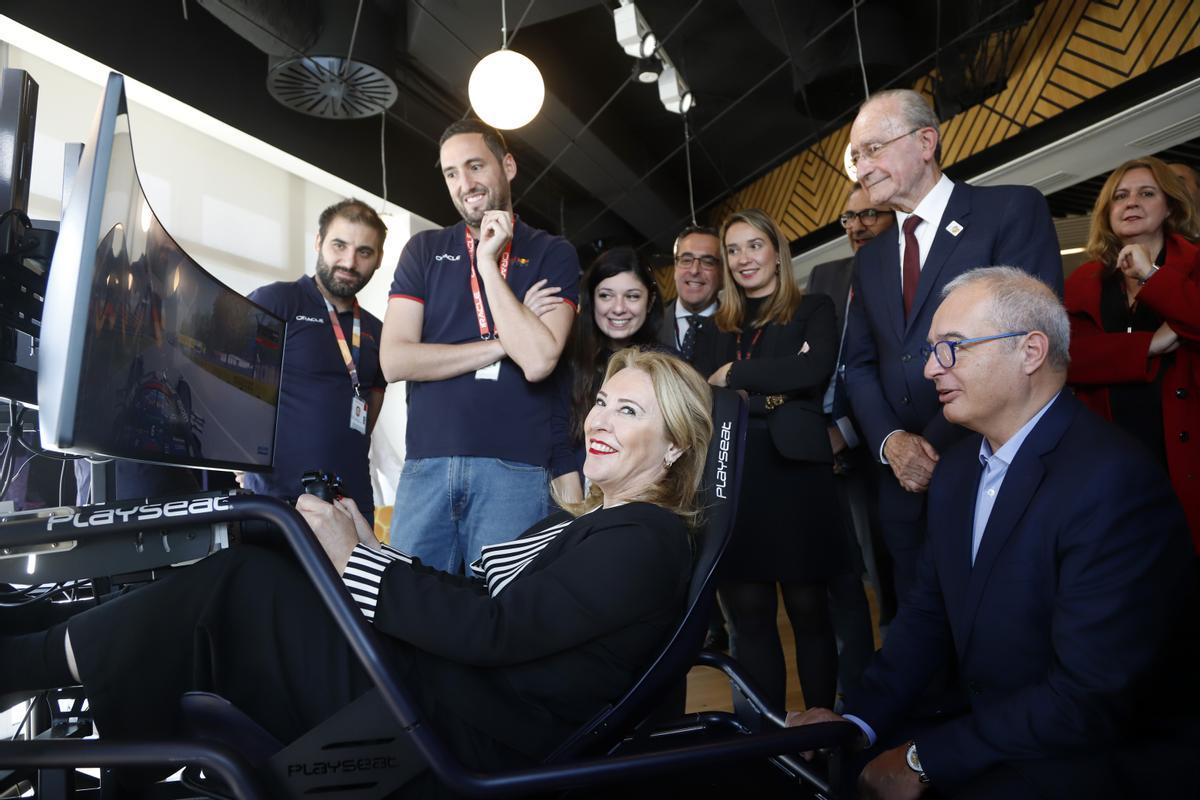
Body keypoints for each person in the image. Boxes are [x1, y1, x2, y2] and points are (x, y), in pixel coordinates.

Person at [0, 348, 714, 796]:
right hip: (453, 691)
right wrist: (353, 553)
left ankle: (33, 656)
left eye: (629, 410)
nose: (601, 418)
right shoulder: (595, 520)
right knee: (274, 555)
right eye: (601, 402)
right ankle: (48, 636)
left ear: (676, 448)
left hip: (463, 729)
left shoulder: (644, 538)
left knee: (243, 588)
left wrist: (358, 558)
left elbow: (495, 630)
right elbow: (483, 602)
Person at [789, 267, 1198, 800]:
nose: (932, 369)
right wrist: (855, 722)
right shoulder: (957, 470)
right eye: (932, 349)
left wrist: (923, 759)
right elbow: (926, 618)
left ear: (1030, 352)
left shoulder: (1113, 482)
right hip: (994, 728)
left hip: (1098, 757)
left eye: (952, 347)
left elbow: (1090, 698)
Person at [841, 88, 1063, 603]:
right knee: (923, 633)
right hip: (900, 483)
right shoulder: (869, 260)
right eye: (856, 158)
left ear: (925, 141)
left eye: (873, 149)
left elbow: (1029, 337)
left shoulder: (1009, 210)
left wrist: (932, 444)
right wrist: (892, 443)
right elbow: (859, 364)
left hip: (991, 465)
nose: (862, 168)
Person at [381, 119, 580, 574]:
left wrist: (487, 264)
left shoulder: (553, 252)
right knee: (410, 608)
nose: (464, 184)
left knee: (501, 616)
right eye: (451, 173)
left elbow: (538, 360)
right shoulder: (424, 250)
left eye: (475, 166)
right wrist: (502, 340)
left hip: (516, 470)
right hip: (427, 467)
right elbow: (394, 360)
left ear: (507, 166)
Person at [704, 208, 846, 712]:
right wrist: (774, 388)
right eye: (734, 250)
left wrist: (736, 377)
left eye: (754, 246)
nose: (744, 259)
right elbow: (707, 393)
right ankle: (770, 743)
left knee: (811, 611)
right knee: (751, 616)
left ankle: (821, 729)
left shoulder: (814, 307)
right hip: (737, 477)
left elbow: (812, 370)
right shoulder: (717, 327)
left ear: (777, 252)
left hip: (797, 476)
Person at [1064, 156, 1200, 556]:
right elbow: (1070, 358)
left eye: (1146, 193)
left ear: (1169, 206)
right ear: (1107, 213)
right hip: (1113, 455)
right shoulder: (1084, 280)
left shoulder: (1194, 266)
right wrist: (1150, 345)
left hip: (1185, 451)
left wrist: (1154, 278)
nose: (1132, 202)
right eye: (1120, 196)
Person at [242, 199, 388, 523]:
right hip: (277, 502)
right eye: (339, 245)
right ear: (319, 242)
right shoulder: (278, 300)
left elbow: (368, 415)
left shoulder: (378, 331)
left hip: (353, 505)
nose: (349, 262)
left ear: (378, 260)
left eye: (364, 252)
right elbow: (229, 374)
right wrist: (239, 456)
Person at [807, 182, 895, 706]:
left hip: (878, 446)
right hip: (817, 451)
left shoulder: (907, 275)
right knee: (838, 583)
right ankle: (857, 695)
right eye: (848, 218)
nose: (857, 226)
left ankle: (902, 687)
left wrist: (847, 431)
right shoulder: (825, 277)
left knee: (889, 576)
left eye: (870, 215)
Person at [555, 247, 663, 500]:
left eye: (632, 296)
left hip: (641, 498)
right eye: (606, 295)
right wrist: (576, 512)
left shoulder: (667, 366)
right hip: (571, 495)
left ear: (651, 302)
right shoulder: (567, 361)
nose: (618, 308)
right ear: (591, 300)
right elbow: (557, 441)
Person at [658, 224, 723, 375]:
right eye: (686, 260)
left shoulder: (738, 328)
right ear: (675, 267)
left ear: (722, 272)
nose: (694, 270)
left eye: (708, 261)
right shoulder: (650, 326)